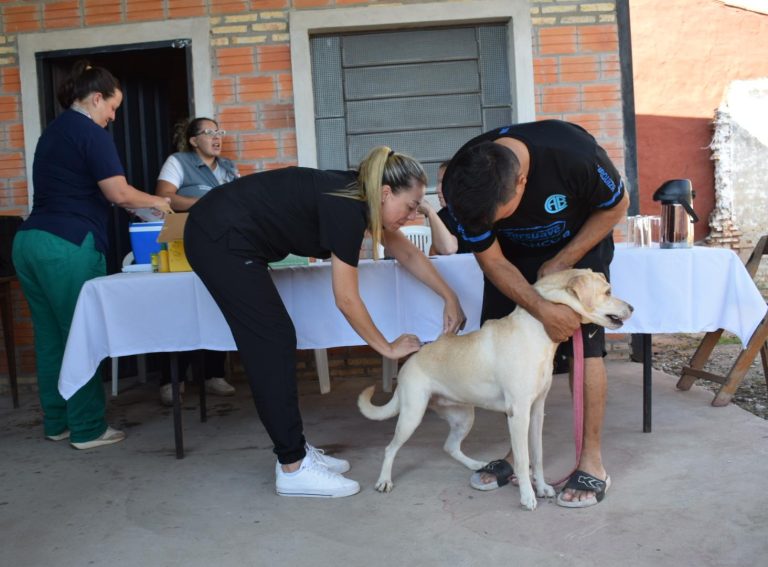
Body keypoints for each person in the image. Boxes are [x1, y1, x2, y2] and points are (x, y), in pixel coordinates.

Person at [184, 146, 466, 498]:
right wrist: (387, 347)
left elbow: (406, 251)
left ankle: (296, 450)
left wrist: (449, 295)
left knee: (275, 338)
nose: (411, 217)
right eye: (410, 207)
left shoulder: (358, 196)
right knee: (271, 341)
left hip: (227, 232)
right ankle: (292, 466)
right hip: (217, 236)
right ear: (384, 193)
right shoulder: (347, 209)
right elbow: (346, 299)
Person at [442, 120, 629, 508]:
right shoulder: (466, 177)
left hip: (578, 244)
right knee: (510, 351)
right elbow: (491, 260)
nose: (490, 224)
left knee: (587, 351)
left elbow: (617, 207)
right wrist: (540, 306)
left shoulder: (574, 155)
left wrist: (562, 261)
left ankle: (592, 462)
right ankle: (518, 458)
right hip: (509, 262)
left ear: (523, 183)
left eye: (498, 214)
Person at [12, 60, 173, 450]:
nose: (113, 117)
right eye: (112, 108)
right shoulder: (90, 132)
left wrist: (136, 204)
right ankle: (87, 429)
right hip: (67, 246)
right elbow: (117, 193)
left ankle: (58, 422)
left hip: (29, 241)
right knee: (80, 337)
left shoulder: (54, 131)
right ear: (96, 98)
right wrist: (159, 203)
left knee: (51, 339)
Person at [154, 117, 240, 405]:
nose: (217, 137)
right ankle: (171, 378)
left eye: (220, 132)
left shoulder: (228, 167)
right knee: (182, 310)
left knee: (218, 307)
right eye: (209, 133)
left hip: (224, 246)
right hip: (186, 246)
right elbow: (165, 198)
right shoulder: (178, 162)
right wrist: (209, 203)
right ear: (193, 140)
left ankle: (213, 374)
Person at [415, 161, 459, 255]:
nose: (437, 190)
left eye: (442, 183)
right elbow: (434, 256)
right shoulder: (442, 216)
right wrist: (430, 212)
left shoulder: (480, 214)